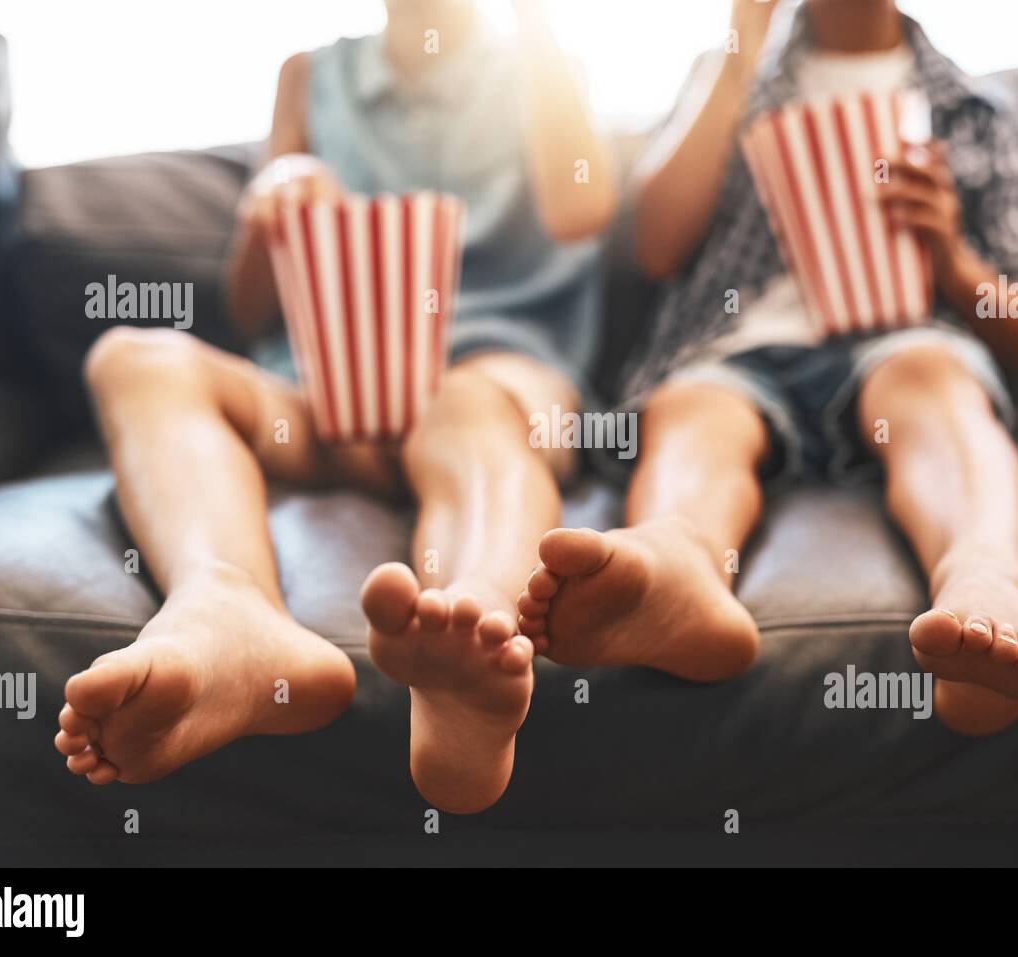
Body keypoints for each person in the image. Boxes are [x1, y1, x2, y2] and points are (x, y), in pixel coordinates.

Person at [53, 0, 617, 814]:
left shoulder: (540, 57)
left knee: (470, 410)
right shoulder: (310, 76)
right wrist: (271, 207)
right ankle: (227, 609)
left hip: (488, 377)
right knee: (134, 356)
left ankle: (481, 620)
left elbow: (583, 210)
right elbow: (248, 310)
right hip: (324, 392)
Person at [518, 0, 1018, 735]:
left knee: (934, 389)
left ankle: (986, 581)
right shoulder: (730, 77)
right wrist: (739, 53)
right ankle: (682, 569)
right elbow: (655, 247)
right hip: (734, 347)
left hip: (903, 341)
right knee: (696, 414)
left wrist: (949, 251)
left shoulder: (980, 112)